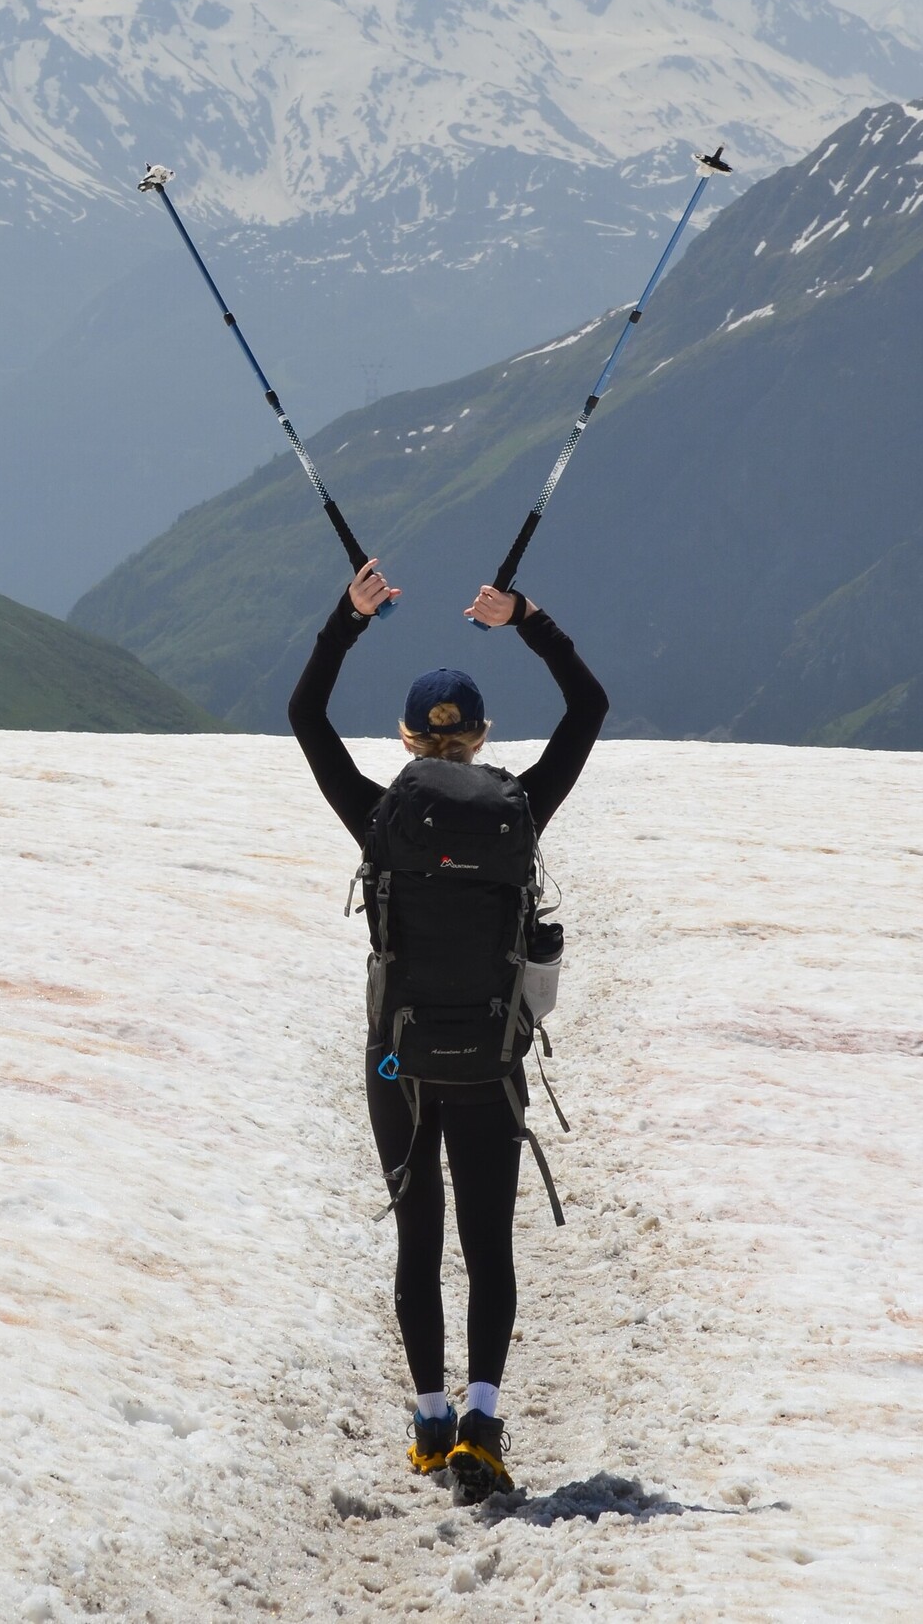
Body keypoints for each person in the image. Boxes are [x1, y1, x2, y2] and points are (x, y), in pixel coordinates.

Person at [288, 558, 608, 1499]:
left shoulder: (379, 816)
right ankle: (482, 1422)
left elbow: (305, 715)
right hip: (493, 1062)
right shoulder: (519, 810)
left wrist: (348, 619)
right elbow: (588, 707)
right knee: (488, 1246)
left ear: (406, 738)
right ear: (480, 737)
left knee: (418, 1240)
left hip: (401, 1063)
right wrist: (527, 619)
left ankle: (428, 1426)